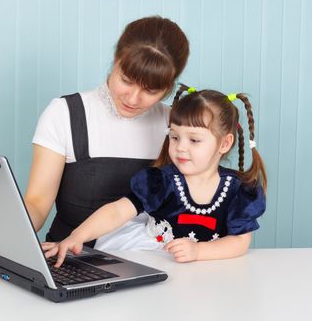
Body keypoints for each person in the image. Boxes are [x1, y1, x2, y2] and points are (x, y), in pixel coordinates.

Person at [42, 84, 267, 266]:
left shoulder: (238, 190)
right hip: (159, 259)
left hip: (209, 271)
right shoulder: (162, 181)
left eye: (194, 140)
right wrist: (76, 236)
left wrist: (199, 251)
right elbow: (118, 211)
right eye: (175, 137)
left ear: (224, 143)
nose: (180, 147)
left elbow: (240, 241)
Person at [24, 16, 190, 247]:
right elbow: (37, 203)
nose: (133, 98)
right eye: (126, 80)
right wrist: (8, 226)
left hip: (155, 263)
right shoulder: (65, 114)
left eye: (151, 90)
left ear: (169, 87)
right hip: (72, 261)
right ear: (115, 60)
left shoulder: (177, 127)